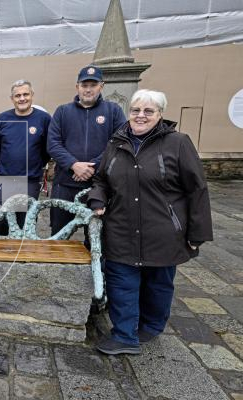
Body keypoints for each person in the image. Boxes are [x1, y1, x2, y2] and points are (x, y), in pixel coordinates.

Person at [87, 89, 213, 355]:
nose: (140, 116)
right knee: (121, 281)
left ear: (160, 114)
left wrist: (197, 232)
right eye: (136, 110)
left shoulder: (178, 143)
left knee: (158, 284)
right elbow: (101, 180)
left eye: (148, 111)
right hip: (121, 227)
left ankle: (151, 326)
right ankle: (124, 335)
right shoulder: (116, 142)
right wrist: (97, 200)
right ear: (129, 112)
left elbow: (197, 189)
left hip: (163, 231)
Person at [47, 65, 126, 237]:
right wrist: (74, 165)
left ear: (101, 86)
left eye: (93, 85)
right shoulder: (62, 111)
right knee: (60, 235)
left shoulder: (113, 111)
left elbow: (119, 143)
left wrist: (93, 166)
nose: (88, 89)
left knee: (96, 236)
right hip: (65, 185)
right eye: (84, 85)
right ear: (77, 87)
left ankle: (97, 264)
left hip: (99, 185)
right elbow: (53, 144)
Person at [0, 80, 51, 235]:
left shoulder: (44, 119)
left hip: (30, 180)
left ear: (32, 95)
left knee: (25, 222)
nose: (22, 98)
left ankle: (22, 255)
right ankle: (0, 254)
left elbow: (47, 149)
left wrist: (36, 164)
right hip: (6, 179)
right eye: (17, 95)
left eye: (25, 94)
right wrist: (7, 163)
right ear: (12, 98)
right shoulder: (2, 119)